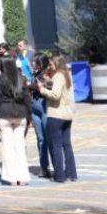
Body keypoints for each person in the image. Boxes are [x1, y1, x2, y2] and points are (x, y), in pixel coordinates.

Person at [0, 57, 31, 185]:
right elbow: (27, 99)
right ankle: (22, 177)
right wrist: (29, 117)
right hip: (21, 114)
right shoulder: (22, 78)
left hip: (5, 114)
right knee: (20, 146)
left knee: (8, 147)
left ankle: (11, 178)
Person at [36, 54, 77, 183]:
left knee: (56, 146)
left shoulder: (58, 75)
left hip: (56, 114)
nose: (50, 66)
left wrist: (42, 89)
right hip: (67, 115)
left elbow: (55, 95)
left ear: (57, 64)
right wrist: (48, 81)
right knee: (67, 145)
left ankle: (59, 175)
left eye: (51, 64)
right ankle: (71, 173)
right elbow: (59, 87)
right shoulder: (66, 74)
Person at [25, 50, 51, 178]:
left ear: (42, 63)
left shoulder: (48, 73)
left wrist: (32, 86)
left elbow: (48, 86)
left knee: (49, 138)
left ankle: (56, 166)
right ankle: (44, 167)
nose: (34, 65)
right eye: (34, 62)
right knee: (40, 139)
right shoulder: (34, 74)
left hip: (45, 106)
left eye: (36, 63)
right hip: (34, 107)